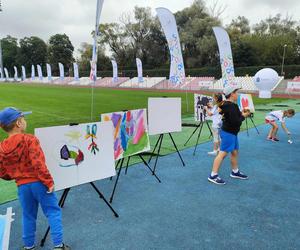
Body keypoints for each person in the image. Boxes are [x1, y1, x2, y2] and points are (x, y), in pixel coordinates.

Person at [0, 107, 70, 250]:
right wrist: (49, 182)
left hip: (22, 186)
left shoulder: (2, 147)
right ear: (19, 123)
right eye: (23, 118)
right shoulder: (30, 139)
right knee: (53, 211)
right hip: (39, 183)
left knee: (28, 216)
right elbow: (38, 164)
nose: (25, 121)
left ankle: (28, 246)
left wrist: (15, 176)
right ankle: (58, 245)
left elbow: (2, 172)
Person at [208, 86, 251, 185]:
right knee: (222, 154)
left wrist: (241, 114)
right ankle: (213, 175)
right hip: (229, 133)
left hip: (231, 132)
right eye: (236, 92)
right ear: (232, 94)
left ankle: (235, 172)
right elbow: (236, 121)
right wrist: (244, 115)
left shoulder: (228, 105)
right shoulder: (231, 106)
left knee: (234, 152)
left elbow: (233, 117)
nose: (238, 94)